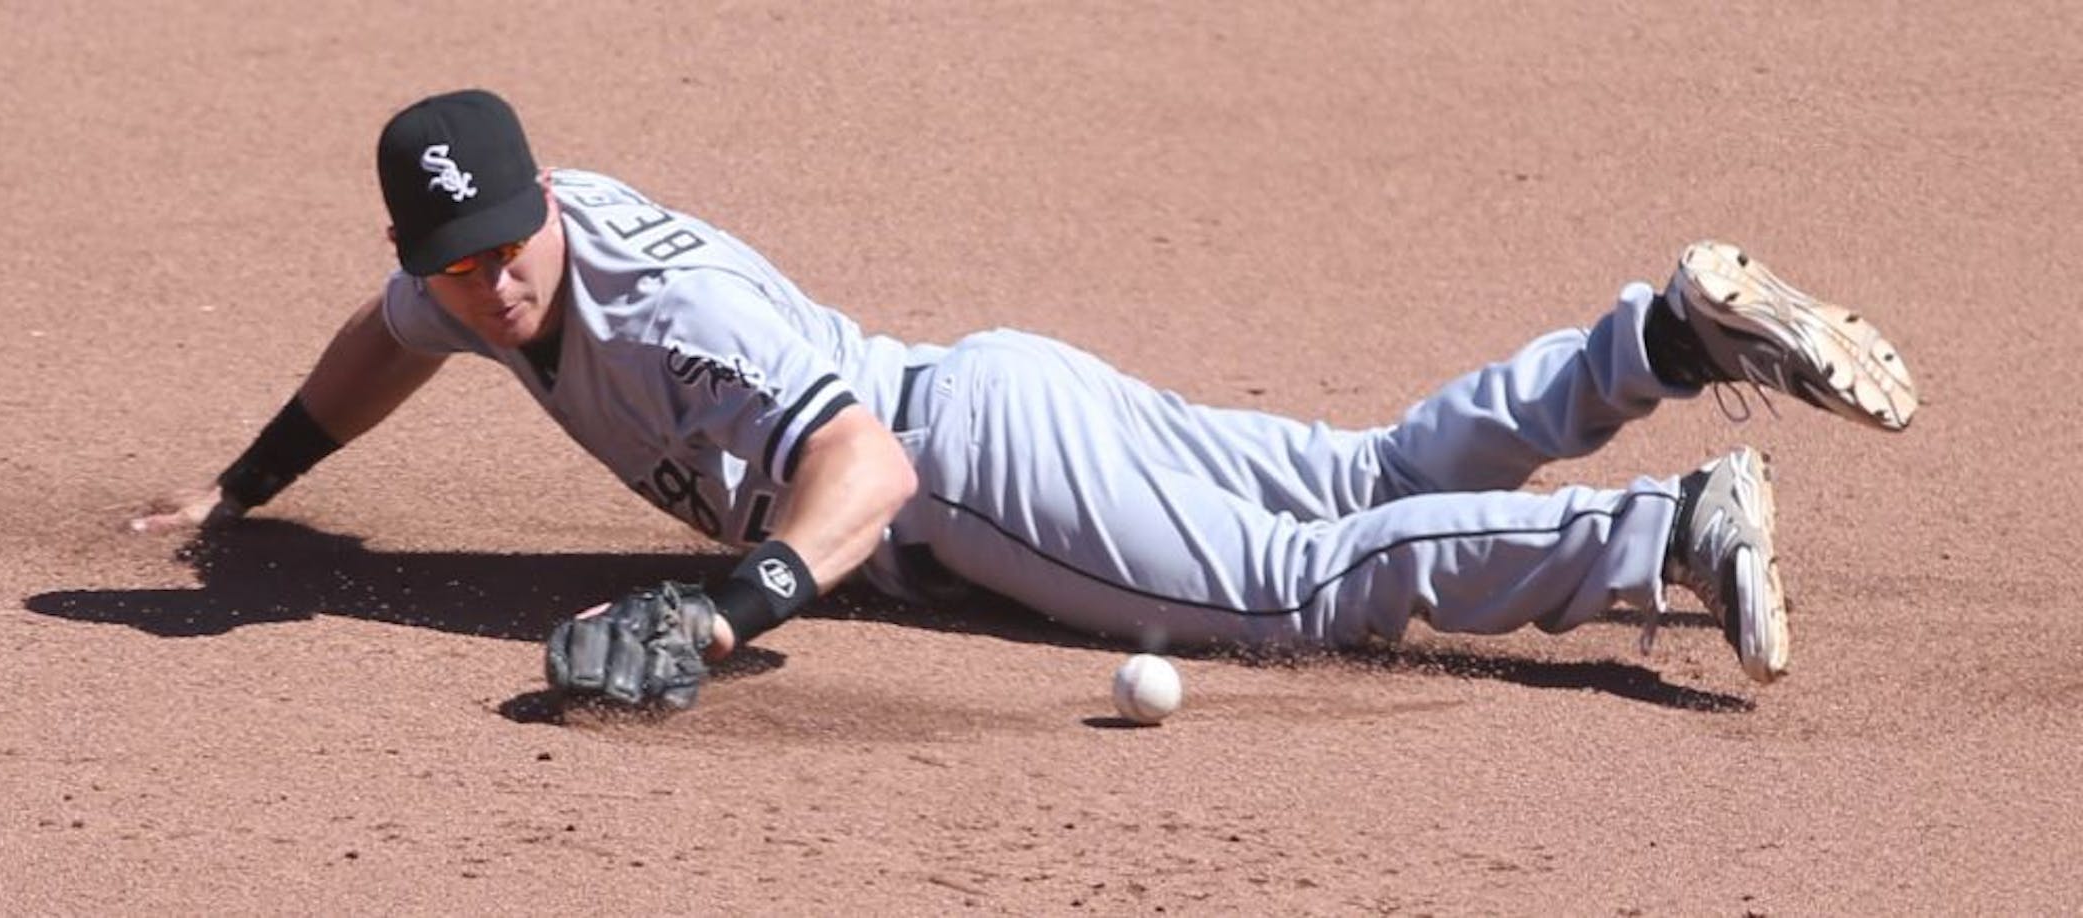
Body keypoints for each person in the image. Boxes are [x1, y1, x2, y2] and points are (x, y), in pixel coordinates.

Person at [133, 89, 1918, 707]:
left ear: (546, 209)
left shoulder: (673, 311)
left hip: (963, 462)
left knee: (1308, 591)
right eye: (466, 262)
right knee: (1349, 474)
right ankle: (1661, 343)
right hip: (1002, 391)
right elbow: (380, 338)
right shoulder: (463, 273)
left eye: (514, 248)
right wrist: (249, 482)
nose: (499, 281)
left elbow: (865, 463)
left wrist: (732, 601)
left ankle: (1658, 527)